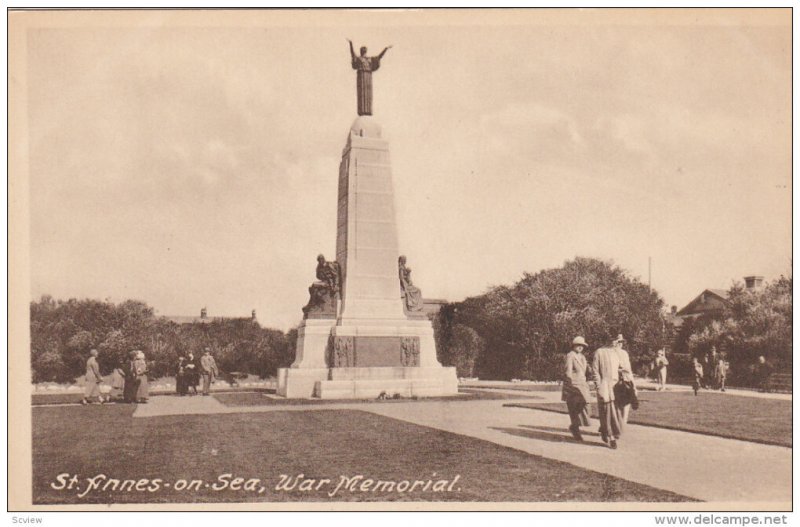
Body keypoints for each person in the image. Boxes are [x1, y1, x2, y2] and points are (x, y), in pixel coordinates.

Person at [592, 336, 629, 449]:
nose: (615, 342)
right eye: (613, 340)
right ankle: (611, 436)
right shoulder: (599, 352)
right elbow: (595, 371)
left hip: (615, 386)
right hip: (604, 385)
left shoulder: (615, 353)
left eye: (616, 340)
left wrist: (622, 372)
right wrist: (598, 386)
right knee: (605, 411)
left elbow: (619, 367)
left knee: (615, 413)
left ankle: (608, 432)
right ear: (608, 340)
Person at [348, 39, 392, 116]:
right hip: (361, 78)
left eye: (364, 50)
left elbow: (379, 57)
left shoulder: (370, 59)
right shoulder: (359, 59)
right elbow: (352, 54)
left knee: (368, 95)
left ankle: (368, 110)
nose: (363, 52)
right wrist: (351, 44)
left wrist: (385, 49)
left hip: (368, 78)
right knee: (361, 94)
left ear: (365, 51)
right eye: (362, 50)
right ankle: (362, 110)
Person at [562, 336, 592, 441]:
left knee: (586, 405)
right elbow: (568, 371)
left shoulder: (582, 357)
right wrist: (568, 386)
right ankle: (576, 429)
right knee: (574, 409)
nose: (580, 347)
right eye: (578, 345)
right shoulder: (570, 356)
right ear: (574, 346)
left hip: (583, 385)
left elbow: (586, 371)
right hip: (574, 385)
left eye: (582, 346)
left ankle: (575, 426)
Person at [611, 335, 636, 424]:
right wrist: (620, 370)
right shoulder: (610, 353)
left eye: (621, 342)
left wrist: (633, 385)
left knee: (626, 404)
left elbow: (629, 369)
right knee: (615, 405)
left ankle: (622, 425)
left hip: (626, 380)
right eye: (618, 342)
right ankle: (615, 426)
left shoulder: (624, 353)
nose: (620, 344)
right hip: (614, 381)